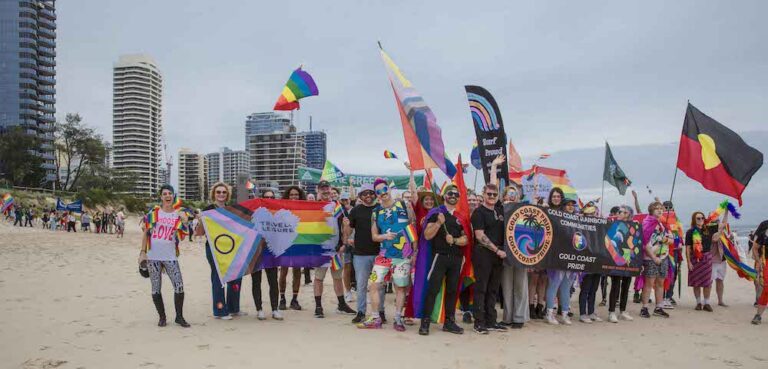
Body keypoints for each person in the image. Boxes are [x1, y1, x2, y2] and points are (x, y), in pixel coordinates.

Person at [357, 179, 415, 331]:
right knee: (373, 284)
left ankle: (397, 318)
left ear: (389, 189)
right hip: (383, 256)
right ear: (376, 195)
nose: (382, 194)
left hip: (402, 256)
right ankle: (376, 318)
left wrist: (414, 252)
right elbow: (374, 236)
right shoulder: (376, 212)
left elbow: (413, 229)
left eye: (384, 190)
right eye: (378, 192)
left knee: (400, 287)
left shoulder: (404, 205)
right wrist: (384, 237)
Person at [138, 184, 190, 327]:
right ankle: (162, 317)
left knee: (179, 286)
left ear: (173, 196)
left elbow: (183, 237)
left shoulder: (178, 214)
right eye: (165, 193)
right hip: (153, 256)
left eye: (170, 193)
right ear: (161, 197)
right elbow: (145, 233)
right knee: (156, 287)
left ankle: (179, 317)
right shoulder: (153, 214)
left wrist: (185, 221)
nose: (167, 196)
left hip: (170, 256)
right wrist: (142, 252)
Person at [418, 184, 467, 336]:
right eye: (450, 193)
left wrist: (455, 241)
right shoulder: (436, 213)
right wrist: (439, 223)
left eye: (456, 194)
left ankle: (449, 322)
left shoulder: (461, 216)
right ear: (445, 196)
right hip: (439, 257)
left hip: (456, 258)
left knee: (453, 290)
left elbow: (465, 239)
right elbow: (427, 235)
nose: (453, 196)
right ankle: (425, 322)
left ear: (458, 198)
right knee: (433, 288)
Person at [194, 182, 243, 321]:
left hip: (231, 249)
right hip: (214, 249)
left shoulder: (231, 209)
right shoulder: (208, 210)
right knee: (218, 278)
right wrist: (200, 221)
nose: (221, 194)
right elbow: (200, 233)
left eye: (224, 192)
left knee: (235, 277)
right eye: (218, 192)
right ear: (214, 194)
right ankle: (220, 310)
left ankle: (234, 308)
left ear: (228, 195)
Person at [312, 180, 356, 318]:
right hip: (321, 250)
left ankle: (341, 304)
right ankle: (318, 307)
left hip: (336, 250)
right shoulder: (313, 207)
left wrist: (344, 244)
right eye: (322, 188)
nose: (325, 191)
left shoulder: (339, 207)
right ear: (318, 190)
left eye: (327, 188)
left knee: (337, 277)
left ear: (331, 189)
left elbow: (345, 228)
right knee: (319, 278)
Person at [344, 183, 387, 324]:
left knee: (379, 285)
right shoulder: (355, 211)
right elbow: (349, 232)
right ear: (360, 196)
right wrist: (345, 226)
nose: (368, 196)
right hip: (360, 255)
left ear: (375, 194)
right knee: (361, 285)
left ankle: (380, 312)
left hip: (379, 254)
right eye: (364, 194)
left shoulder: (381, 209)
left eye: (370, 193)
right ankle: (361, 312)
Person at [545, 195, 577, 325]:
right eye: (568, 204)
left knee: (566, 287)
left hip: (572, 259)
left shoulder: (577, 221)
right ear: (563, 206)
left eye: (572, 205)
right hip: (558, 258)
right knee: (554, 285)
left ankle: (564, 314)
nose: (570, 207)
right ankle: (549, 314)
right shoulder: (557, 218)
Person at [251, 189, 281, 320]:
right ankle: (259, 309)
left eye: (272, 197)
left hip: (271, 251)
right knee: (256, 281)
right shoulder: (255, 213)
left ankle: (275, 309)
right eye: (267, 197)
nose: (269, 199)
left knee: (273, 281)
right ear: (262, 199)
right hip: (256, 251)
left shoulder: (279, 214)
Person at [640, 201, 673, 318]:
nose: (659, 210)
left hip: (664, 256)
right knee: (649, 283)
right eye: (656, 208)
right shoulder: (647, 223)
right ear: (651, 211)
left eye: (661, 208)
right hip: (650, 258)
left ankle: (659, 307)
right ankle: (644, 307)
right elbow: (645, 244)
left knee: (660, 283)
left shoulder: (664, 224)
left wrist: (667, 239)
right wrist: (654, 257)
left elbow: (671, 240)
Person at [278, 186, 306, 311]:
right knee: (283, 271)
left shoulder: (305, 209)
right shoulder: (282, 209)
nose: (294, 197)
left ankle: (294, 299)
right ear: (287, 196)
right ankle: (282, 298)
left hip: (299, 243)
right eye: (291, 195)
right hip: (285, 243)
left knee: (297, 272)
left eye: (296, 195)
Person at [607, 205, 635, 323]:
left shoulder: (634, 226)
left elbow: (635, 242)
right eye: (620, 211)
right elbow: (609, 241)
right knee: (615, 285)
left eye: (625, 212)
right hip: (616, 258)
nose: (622, 213)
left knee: (626, 285)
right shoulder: (613, 225)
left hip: (628, 257)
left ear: (629, 214)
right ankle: (612, 312)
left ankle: (623, 311)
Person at [685, 211, 714, 312]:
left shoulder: (708, 230)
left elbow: (721, 228)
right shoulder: (690, 232)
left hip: (707, 258)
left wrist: (726, 211)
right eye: (698, 218)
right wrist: (688, 262)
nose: (701, 220)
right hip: (695, 258)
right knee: (696, 282)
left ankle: (706, 303)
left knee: (707, 283)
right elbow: (688, 248)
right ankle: (698, 303)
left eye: (702, 218)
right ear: (694, 219)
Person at [578, 204, 602, 323]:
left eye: (593, 214)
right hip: (586, 262)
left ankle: (591, 312)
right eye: (589, 214)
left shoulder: (600, 228)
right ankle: (582, 313)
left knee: (594, 289)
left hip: (598, 262)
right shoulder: (581, 228)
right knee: (585, 289)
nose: (592, 216)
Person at [750, 219, 767, 324]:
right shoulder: (764, 230)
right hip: (766, 262)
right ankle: (758, 315)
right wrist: (758, 261)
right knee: (766, 288)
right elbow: (755, 248)